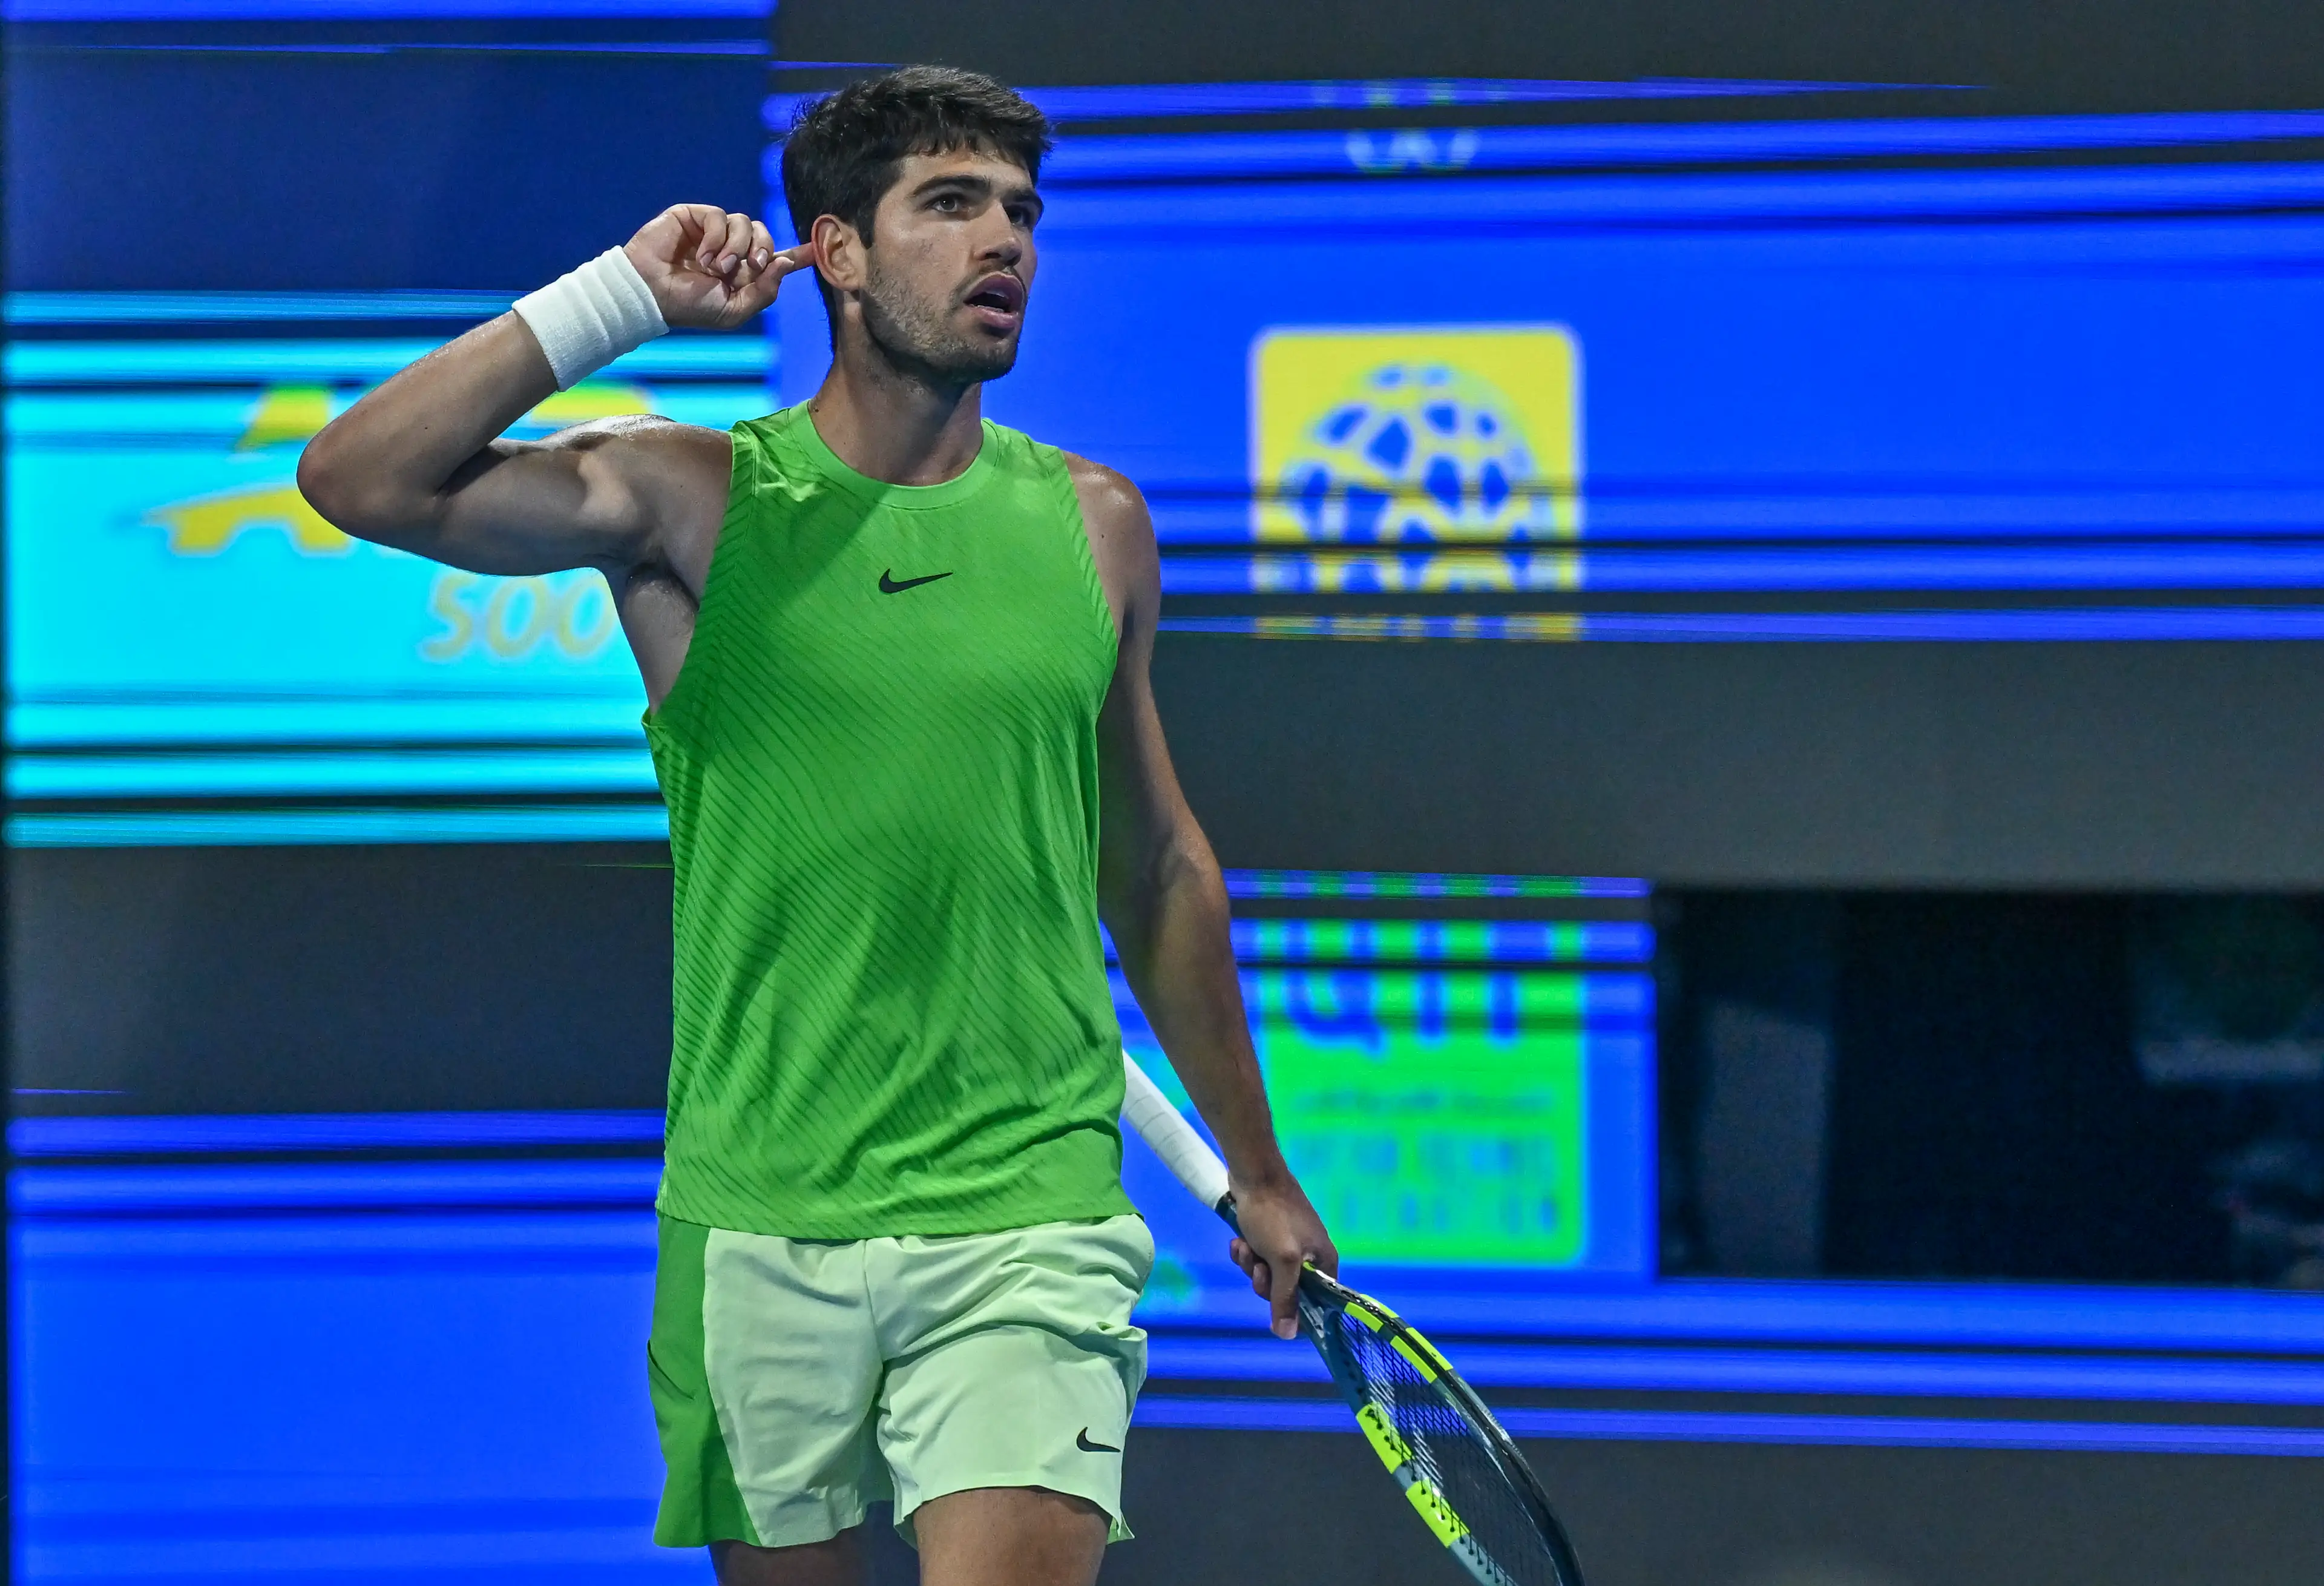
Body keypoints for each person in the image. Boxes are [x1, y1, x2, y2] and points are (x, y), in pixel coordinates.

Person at [297, 64, 1336, 1586]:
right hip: (756, 1212)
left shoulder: (1095, 525)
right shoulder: (686, 495)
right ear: (835, 252)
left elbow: (1159, 863)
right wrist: (616, 299)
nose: (1008, 244)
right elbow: (356, 477)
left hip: (1026, 1205)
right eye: (953, 204)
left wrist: (1259, 1160)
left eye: (1024, 212)